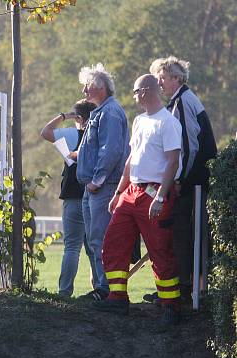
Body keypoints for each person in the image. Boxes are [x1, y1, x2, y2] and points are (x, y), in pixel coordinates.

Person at [93, 74, 183, 328]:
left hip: (155, 192)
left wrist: (162, 195)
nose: (133, 96)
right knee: (113, 242)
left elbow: (173, 161)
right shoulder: (140, 120)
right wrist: (119, 192)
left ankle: (170, 306)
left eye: (134, 91)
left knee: (160, 251)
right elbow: (131, 159)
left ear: (145, 91)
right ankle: (117, 297)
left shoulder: (168, 122)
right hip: (132, 191)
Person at [146, 56, 217, 303]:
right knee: (180, 232)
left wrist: (180, 179)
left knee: (183, 232)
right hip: (190, 179)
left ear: (177, 78)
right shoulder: (178, 101)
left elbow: (190, 146)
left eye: (162, 78)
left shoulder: (185, 101)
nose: (159, 83)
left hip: (194, 181)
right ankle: (180, 287)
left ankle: (185, 289)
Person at [76, 63, 130, 301]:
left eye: (87, 85)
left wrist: (97, 180)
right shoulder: (101, 111)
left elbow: (112, 150)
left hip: (103, 187)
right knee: (93, 239)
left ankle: (107, 290)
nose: (84, 91)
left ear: (99, 86)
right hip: (94, 187)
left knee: (101, 239)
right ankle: (102, 287)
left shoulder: (109, 112)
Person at [39, 100, 97, 297]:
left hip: (74, 196)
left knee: (72, 247)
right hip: (95, 195)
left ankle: (65, 291)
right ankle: (100, 289)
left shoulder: (74, 134)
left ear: (78, 118)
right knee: (94, 248)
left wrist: (64, 116)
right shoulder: (100, 136)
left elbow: (46, 131)